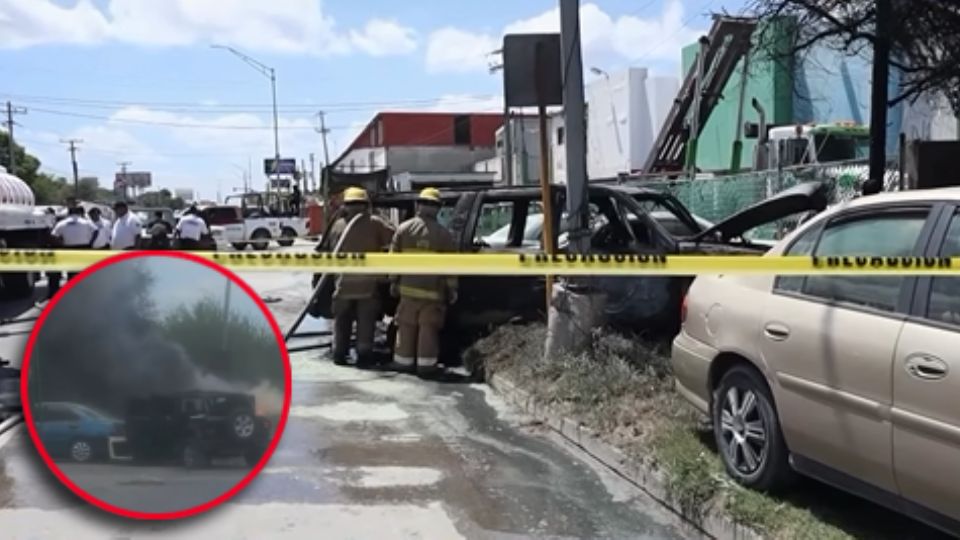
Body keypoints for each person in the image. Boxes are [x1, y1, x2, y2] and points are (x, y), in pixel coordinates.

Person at [388, 188, 458, 379]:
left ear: (418, 205)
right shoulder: (444, 235)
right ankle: (426, 367)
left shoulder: (403, 229)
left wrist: (393, 282)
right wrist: (452, 289)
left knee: (406, 326)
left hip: (407, 293)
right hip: (432, 294)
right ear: (438, 208)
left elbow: (393, 261)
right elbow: (451, 267)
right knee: (428, 328)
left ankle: (403, 362)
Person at [324, 187, 395, 368]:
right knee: (366, 322)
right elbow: (395, 237)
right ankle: (363, 355)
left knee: (341, 321)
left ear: (345, 205)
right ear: (366, 205)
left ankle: (339, 353)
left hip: (342, 284)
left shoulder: (337, 225)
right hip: (367, 285)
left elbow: (325, 248)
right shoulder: (374, 223)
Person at [50, 206, 98, 286]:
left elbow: (53, 235)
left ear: (68, 213)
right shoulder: (86, 222)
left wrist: (61, 244)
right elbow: (96, 231)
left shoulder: (62, 223)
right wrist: (91, 243)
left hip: (69, 248)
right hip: (84, 248)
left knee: (71, 270)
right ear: (79, 213)